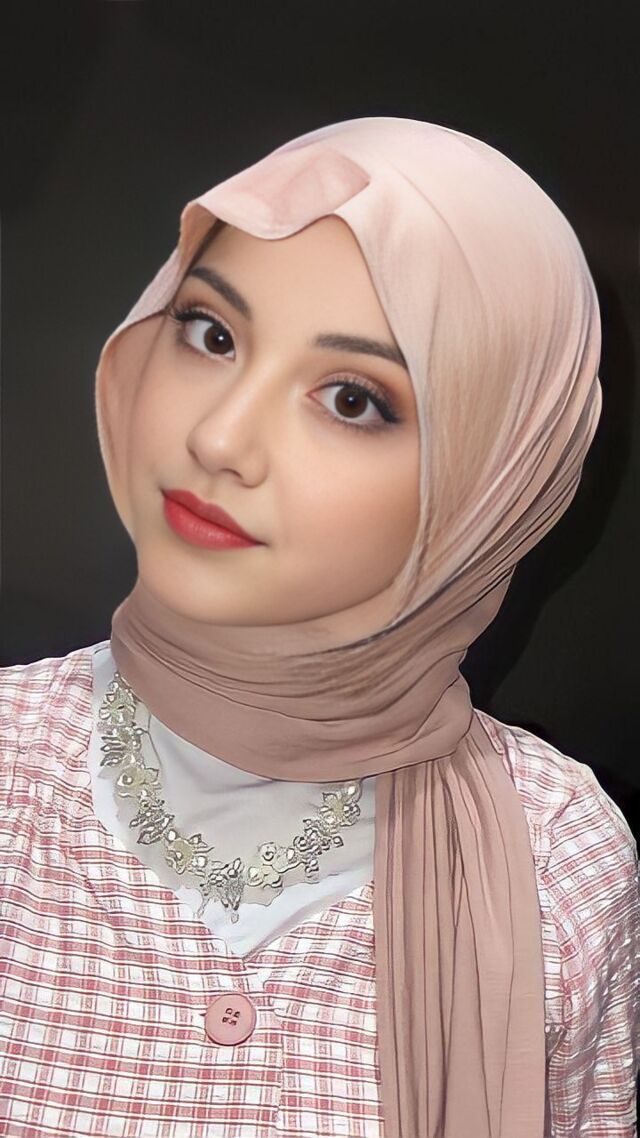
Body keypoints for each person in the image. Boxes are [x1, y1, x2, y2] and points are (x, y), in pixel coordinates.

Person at [1, 117, 638, 1138]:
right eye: (211, 334)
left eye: (351, 399)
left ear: (490, 484)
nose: (220, 437)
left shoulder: (556, 855)